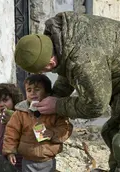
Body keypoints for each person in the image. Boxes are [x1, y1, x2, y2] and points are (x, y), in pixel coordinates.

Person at [14, 11, 120, 172]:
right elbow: (67, 68)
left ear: (50, 61)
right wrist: (55, 97)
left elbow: (96, 105)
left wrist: (58, 105)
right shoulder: (61, 36)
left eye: (43, 71)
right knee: (111, 130)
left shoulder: (85, 59)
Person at [3, 74, 73, 172]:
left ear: (47, 93)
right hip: (28, 161)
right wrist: (10, 152)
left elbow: (66, 128)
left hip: (48, 160)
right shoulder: (20, 113)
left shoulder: (55, 113)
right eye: (29, 90)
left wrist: (52, 133)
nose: (32, 93)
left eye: (37, 89)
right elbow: (11, 132)